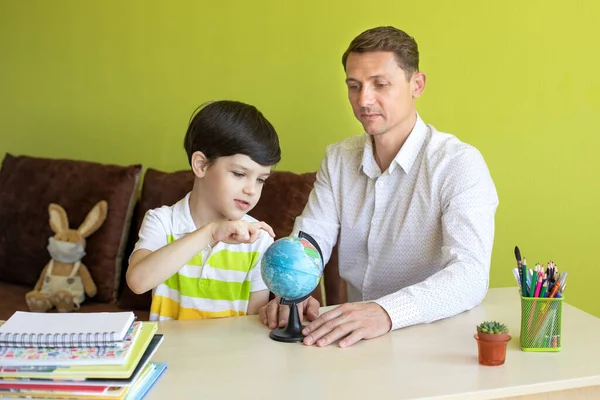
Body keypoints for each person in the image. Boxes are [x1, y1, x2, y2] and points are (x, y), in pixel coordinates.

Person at [259, 26, 499, 347]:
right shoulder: (339, 158)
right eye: (354, 86)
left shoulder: (458, 163)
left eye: (380, 85)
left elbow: (470, 274)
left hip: (436, 340)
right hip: (357, 341)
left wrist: (386, 312)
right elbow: (311, 239)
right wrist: (295, 291)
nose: (364, 100)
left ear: (417, 85)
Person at [127, 100, 281, 321]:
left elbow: (253, 325)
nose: (251, 190)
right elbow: (138, 281)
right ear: (200, 165)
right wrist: (210, 233)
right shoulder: (162, 222)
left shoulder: (257, 240)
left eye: (261, 180)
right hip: (169, 354)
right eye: (239, 174)